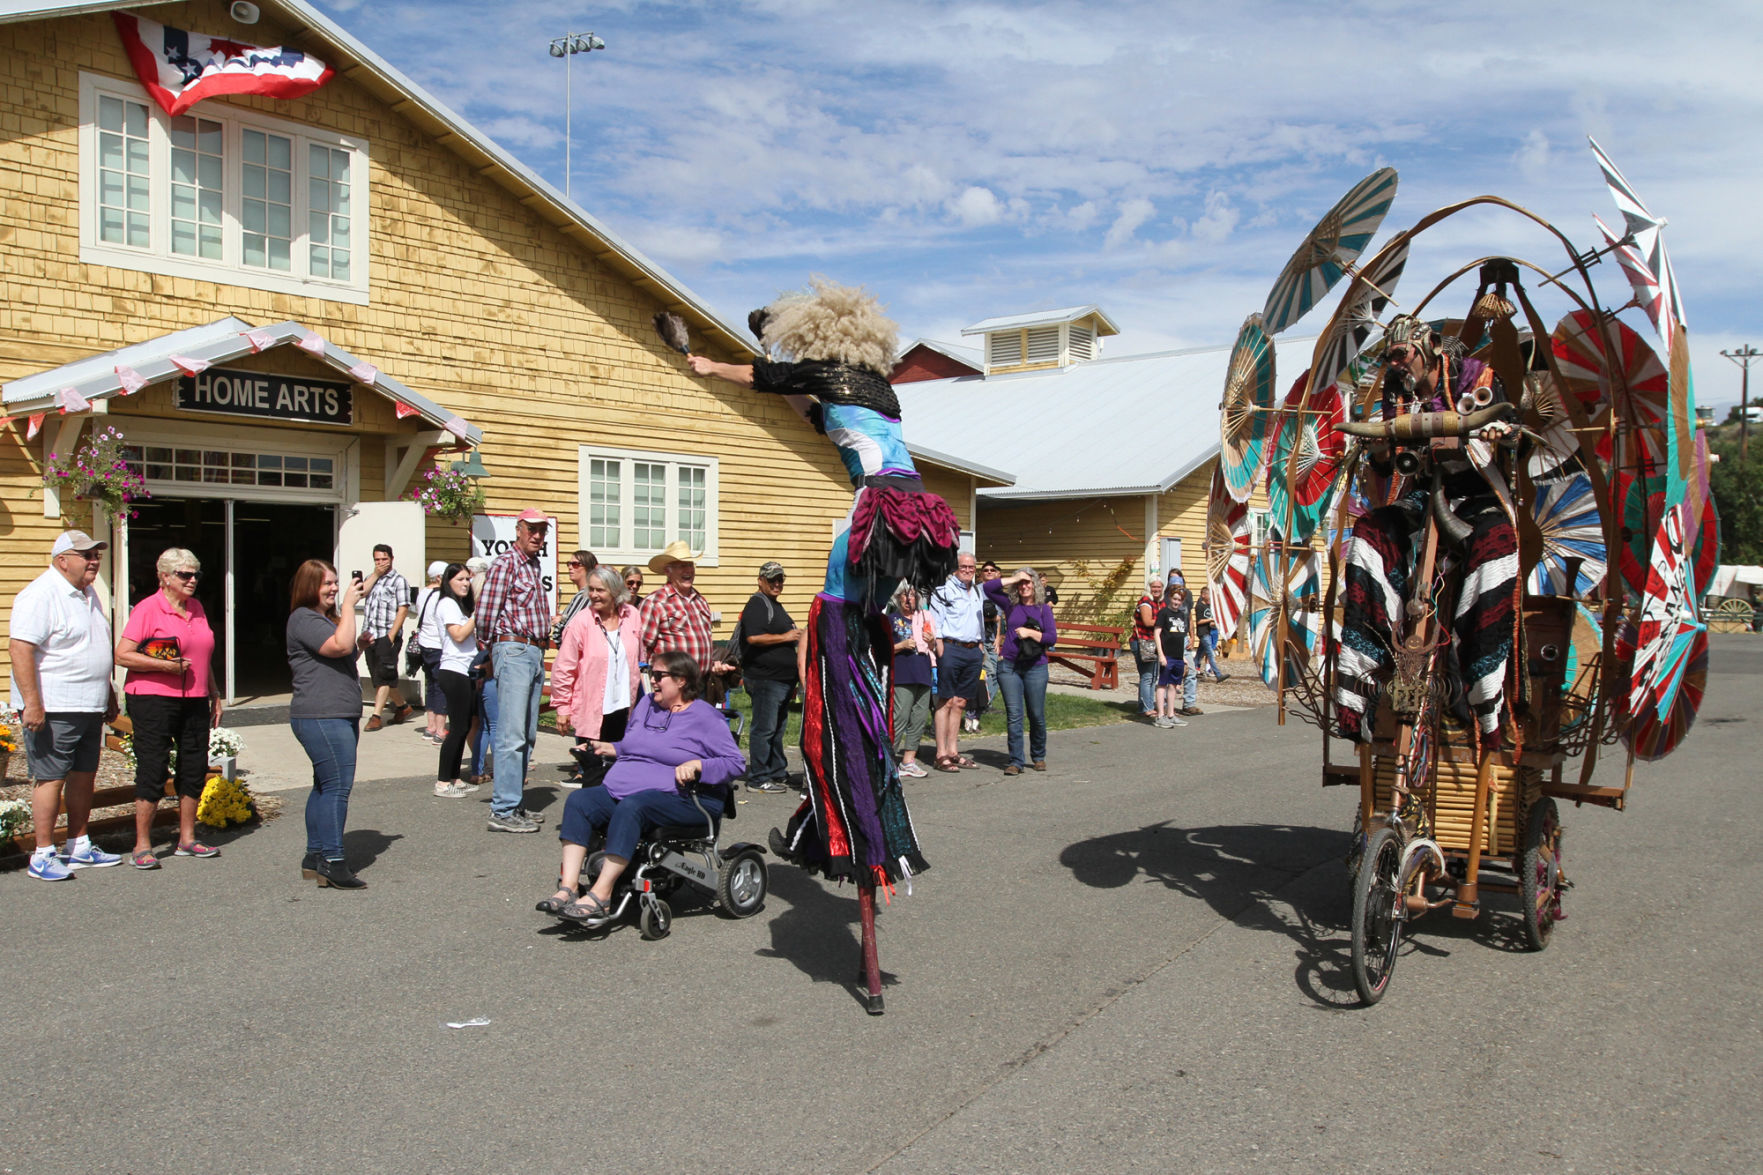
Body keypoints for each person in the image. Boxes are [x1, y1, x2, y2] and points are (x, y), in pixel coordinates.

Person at [685, 277, 952, 885]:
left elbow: (765, 378)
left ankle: (841, 686)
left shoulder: (827, 375)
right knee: (859, 618)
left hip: (879, 508)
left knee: (832, 611)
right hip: (917, 512)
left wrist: (707, 366)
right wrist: (783, 376)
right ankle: (819, 812)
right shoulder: (875, 388)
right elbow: (808, 409)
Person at [1335, 315, 1518, 747]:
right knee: (1369, 531)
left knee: (1496, 545)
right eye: (1389, 357)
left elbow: (1511, 434)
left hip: (1478, 496)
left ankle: (1484, 695)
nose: (1395, 364)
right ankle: (1360, 684)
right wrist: (1380, 450)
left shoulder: (1478, 377)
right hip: (1423, 497)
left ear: (1428, 347)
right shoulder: (1396, 395)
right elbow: (1387, 466)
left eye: (1400, 354)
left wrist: (1496, 432)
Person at [536, 651, 745, 925]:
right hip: (626, 791)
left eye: (659, 676)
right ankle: (570, 886)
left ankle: (602, 893)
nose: (653, 681)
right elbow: (635, 746)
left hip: (686, 800)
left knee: (633, 806)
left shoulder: (705, 718)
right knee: (581, 801)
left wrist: (697, 765)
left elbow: (735, 764)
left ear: (681, 680)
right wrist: (608, 747)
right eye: (651, 675)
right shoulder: (647, 705)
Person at [10, 530, 122, 881]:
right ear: (62, 560)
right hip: (54, 705)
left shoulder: (88, 594)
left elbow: (93, 645)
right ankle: (42, 853)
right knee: (50, 777)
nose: (94, 561)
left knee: (83, 775)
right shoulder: (40, 595)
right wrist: (32, 703)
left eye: (96, 555)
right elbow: (21, 649)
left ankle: (78, 844)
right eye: (86, 555)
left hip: (88, 704)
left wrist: (108, 690)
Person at [114, 547, 224, 869]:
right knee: (154, 766)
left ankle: (187, 839)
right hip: (152, 698)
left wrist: (214, 693)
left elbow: (204, 655)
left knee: (194, 765)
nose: (192, 580)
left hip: (194, 698)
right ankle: (142, 845)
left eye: (196, 575)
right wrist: (164, 668)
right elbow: (122, 655)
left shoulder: (198, 608)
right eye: (185, 575)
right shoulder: (148, 609)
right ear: (164, 577)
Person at [286, 559, 369, 888]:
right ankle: (333, 861)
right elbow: (339, 645)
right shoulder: (303, 617)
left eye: (336, 582)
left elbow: (342, 653)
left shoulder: (321, 619)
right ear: (309, 587)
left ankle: (314, 856)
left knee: (324, 785)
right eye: (327, 584)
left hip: (336, 713)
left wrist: (359, 646)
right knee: (336, 787)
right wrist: (349, 606)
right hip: (322, 715)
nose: (334, 588)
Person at [476, 508, 554, 833]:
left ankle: (515, 802)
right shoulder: (506, 563)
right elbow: (485, 613)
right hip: (514, 648)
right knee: (511, 734)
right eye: (531, 530)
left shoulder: (532, 565)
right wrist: (491, 650)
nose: (537, 536)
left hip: (532, 650)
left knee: (528, 732)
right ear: (519, 530)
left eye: (541, 531)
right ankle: (503, 810)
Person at [549, 565, 642, 778]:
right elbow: (564, 667)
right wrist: (562, 707)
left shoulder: (632, 616)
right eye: (591, 589)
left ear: (615, 591)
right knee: (594, 773)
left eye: (600, 590)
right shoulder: (581, 622)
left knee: (618, 770)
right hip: (593, 708)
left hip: (624, 706)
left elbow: (639, 656)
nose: (593, 595)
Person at [984, 567, 1058, 775]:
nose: (1025, 586)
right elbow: (988, 588)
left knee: (1036, 714)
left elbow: (1052, 637)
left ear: (1036, 585)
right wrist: (1014, 578)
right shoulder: (1010, 605)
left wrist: (1031, 633)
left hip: (1036, 666)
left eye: (1028, 582)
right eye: (1021, 583)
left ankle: (1038, 756)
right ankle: (1016, 761)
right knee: (1014, 715)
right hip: (1009, 666)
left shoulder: (1044, 609)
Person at [737, 561, 800, 794]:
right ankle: (758, 777)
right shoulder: (757, 603)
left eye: (780, 579)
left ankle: (776, 771)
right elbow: (754, 638)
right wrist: (786, 637)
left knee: (778, 728)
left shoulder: (775, 605)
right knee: (764, 729)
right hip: (765, 679)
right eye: (772, 579)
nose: (777, 583)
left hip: (782, 680)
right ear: (760, 580)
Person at [927, 553, 985, 773]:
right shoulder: (943, 591)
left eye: (971, 567)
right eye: (964, 566)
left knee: (961, 702)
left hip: (972, 650)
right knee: (945, 700)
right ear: (955, 568)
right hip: (951, 648)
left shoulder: (978, 591)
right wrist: (940, 646)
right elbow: (935, 620)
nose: (968, 570)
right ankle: (940, 754)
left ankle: (953, 751)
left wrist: (980, 644)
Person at [430, 563, 483, 799]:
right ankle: (442, 782)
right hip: (454, 671)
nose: (465, 583)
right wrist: (476, 615)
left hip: (467, 671)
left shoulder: (459, 605)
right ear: (448, 582)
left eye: (467, 579)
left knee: (463, 727)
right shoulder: (447, 603)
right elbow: (459, 635)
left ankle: (454, 777)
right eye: (459, 579)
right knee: (458, 727)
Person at [637, 541, 715, 668]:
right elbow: (641, 648)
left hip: (701, 683)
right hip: (669, 683)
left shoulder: (700, 601)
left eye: (690, 565)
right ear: (668, 571)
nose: (688, 570)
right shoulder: (654, 602)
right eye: (682, 566)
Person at [360, 543, 411, 732]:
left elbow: (403, 609)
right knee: (378, 677)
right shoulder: (371, 578)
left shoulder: (399, 581)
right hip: (369, 634)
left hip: (387, 635)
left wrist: (391, 636)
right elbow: (361, 593)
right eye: (377, 560)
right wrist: (375, 575)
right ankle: (403, 707)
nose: (381, 563)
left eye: (384, 559)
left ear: (391, 558)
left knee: (383, 676)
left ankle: (376, 717)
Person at [887, 582, 936, 778]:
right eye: (905, 596)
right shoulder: (892, 619)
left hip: (923, 671)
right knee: (900, 717)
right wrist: (901, 645)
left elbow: (932, 648)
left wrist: (931, 641)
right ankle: (888, 761)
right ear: (898, 598)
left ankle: (908, 761)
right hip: (902, 674)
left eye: (913, 596)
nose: (909, 599)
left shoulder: (923, 618)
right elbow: (881, 650)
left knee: (918, 718)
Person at [412, 561, 447, 746]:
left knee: (431, 685)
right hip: (439, 644)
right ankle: (440, 730)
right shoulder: (442, 596)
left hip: (425, 645)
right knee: (441, 686)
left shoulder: (423, 593)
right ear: (440, 577)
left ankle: (430, 726)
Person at [968, 561, 1003, 733]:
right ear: (981, 574)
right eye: (986, 570)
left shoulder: (999, 592)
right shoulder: (976, 590)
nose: (989, 572)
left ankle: (984, 704)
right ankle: (975, 710)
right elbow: (973, 616)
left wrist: (998, 638)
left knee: (996, 674)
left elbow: (1000, 617)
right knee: (985, 674)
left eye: (992, 570)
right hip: (979, 638)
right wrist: (990, 620)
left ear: (997, 574)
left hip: (991, 640)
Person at [1154, 584, 1191, 728]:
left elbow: (1180, 636)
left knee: (1174, 685)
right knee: (1162, 683)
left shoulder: (1182, 615)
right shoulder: (1163, 613)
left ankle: (1171, 714)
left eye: (1179, 600)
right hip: (1166, 655)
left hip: (1177, 656)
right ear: (1170, 598)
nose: (1176, 602)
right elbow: (1157, 633)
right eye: (1175, 599)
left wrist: (1182, 656)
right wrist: (1161, 655)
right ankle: (1160, 716)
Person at [550, 549, 598, 647]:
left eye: (575, 564)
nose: (570, 567)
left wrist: (561, 622)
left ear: (588, 568)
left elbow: (569, 630)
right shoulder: (583, 594)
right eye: (569, 564)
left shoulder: (585, 595)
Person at [1133, 577, 1164, 719]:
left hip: (1153, 642)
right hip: (1143, 642)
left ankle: (1143, 707)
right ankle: (1147, 707)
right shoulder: (1146, 601)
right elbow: (1146, 621)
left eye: (1159, 587)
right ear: (1149, 587)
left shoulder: (1158, 602)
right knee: (1148, 676)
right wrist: (1165, 622)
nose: (1156, 589)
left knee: (1151, 676)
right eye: (1154, 586)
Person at [1194, 586, 1229, 684]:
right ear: (1203, 595)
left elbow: (1209, 622)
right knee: (1210, 652)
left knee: (1199, 655)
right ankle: (1218, 675)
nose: (1210, 597)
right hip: (1203, 633)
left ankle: (1190, 671)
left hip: (1208, 631)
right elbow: (1199, 621)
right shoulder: (1199, 606)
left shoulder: (1208, 606)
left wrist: (1217, 623)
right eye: (1209, 594)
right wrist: (1211, 620)